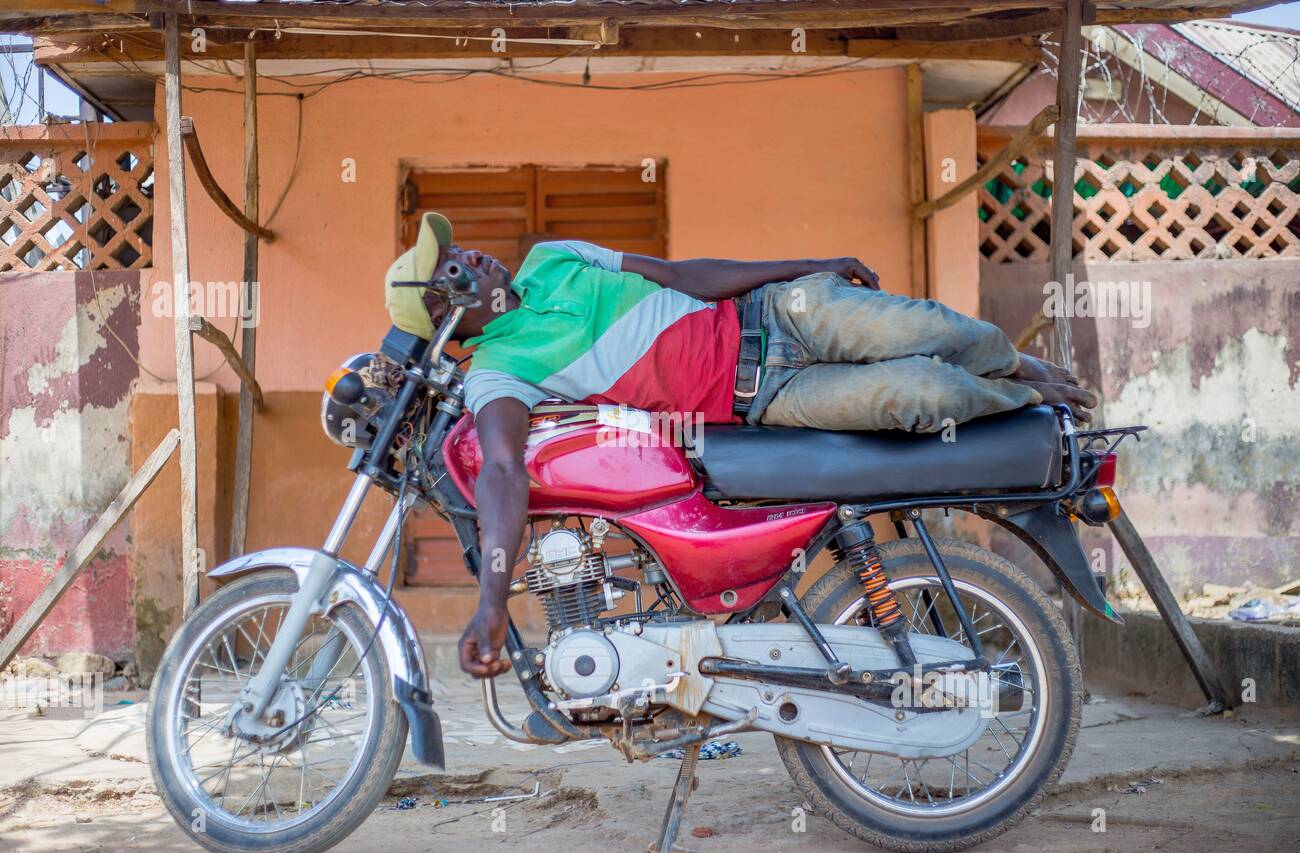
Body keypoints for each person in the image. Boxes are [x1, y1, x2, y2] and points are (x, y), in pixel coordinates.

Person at [383, 212, 1097, 677]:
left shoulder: (554, 257)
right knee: (919, 399)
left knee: (931, 331)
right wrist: (491, 599)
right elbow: (504, 469)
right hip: (765, 399)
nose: (469, 254)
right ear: (447, 316)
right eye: (452, 267)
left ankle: (1015, 364)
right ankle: (1023, 395)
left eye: (459, 250)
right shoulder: (501, 372)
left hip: (779, 315)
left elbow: (681, 276)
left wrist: (801, 264)